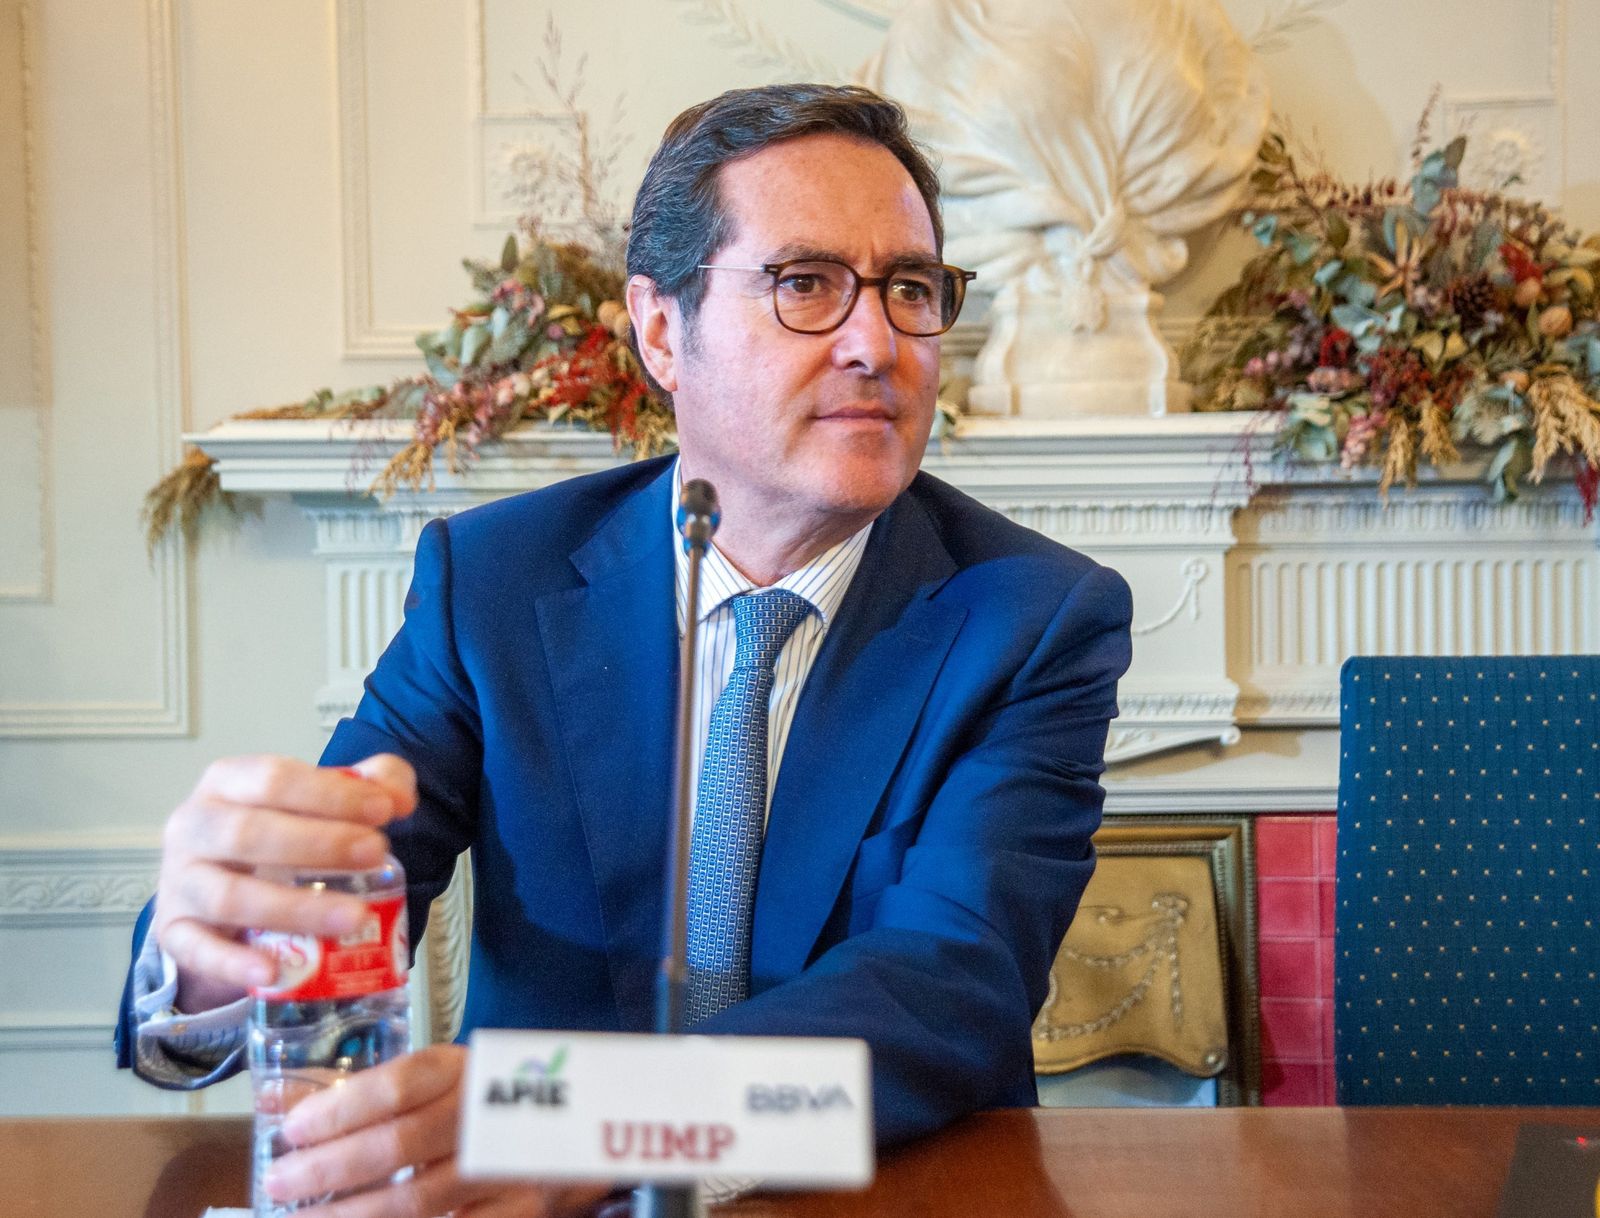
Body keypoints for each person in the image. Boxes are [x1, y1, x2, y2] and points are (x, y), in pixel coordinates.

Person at [117, 83, 1132, 1216]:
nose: (874, 344)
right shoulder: (495, 582)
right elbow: (351, 884)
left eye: (908, 289)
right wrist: (221, 953)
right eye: (804, 284)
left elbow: (951, 989)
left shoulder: (1031, 617)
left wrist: (603, 1125)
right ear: (660, 331)